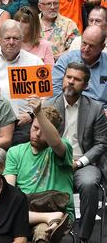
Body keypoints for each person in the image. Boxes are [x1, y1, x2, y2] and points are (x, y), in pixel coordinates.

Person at [43, 62, 107, 242]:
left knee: (88, 184)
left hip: (84, 161)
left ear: (85, 85)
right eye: (68, 77)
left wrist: (79, 163)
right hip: (56, 161)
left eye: (77, 79)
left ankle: (84, 237)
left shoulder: (95, 108)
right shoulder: (50, 104)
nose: (71, 82)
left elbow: (101, 143)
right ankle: (48, 231)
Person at [5, 102, 74, 242]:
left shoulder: (62, 147)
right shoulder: (15, 151)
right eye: (35, 128)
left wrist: (38, 113)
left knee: (42, 232)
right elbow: (9, 189)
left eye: (43, 131)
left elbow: (55, 143)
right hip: (25, 209)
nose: (37, 134)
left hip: (55, 207)